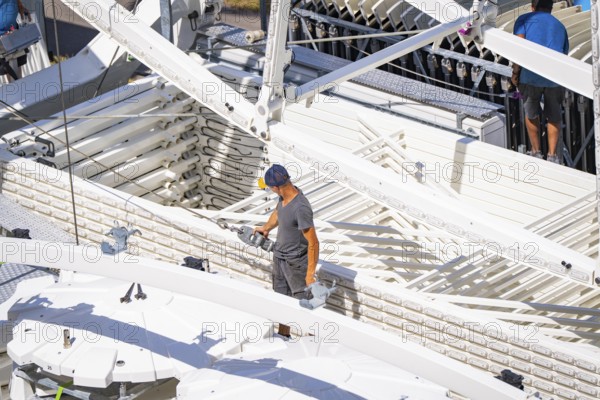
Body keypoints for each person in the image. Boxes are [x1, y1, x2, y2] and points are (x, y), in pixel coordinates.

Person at [254, 164, 319, 338]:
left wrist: (310, 274)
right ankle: (284, 337)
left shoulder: (301, 208)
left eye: (269, 188)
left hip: (296, 263)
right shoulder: (284, 196)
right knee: (282, 300)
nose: (271, 190)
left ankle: (312, 343)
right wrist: (266, 228)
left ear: (275, 187)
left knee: (305, 303)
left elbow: (313, 242)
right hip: (280, 257)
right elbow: (278, 212)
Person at [512, 0, 569, 164]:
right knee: (554, 115)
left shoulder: (524, 20)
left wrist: (515, 73)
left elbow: (519, 47)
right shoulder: (560, 26)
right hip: (554, 77)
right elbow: (564, 54)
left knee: (531, 114)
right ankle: (552, 156)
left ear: (532, 7)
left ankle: (536, 152)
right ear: (551, 9)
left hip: (530, 76)